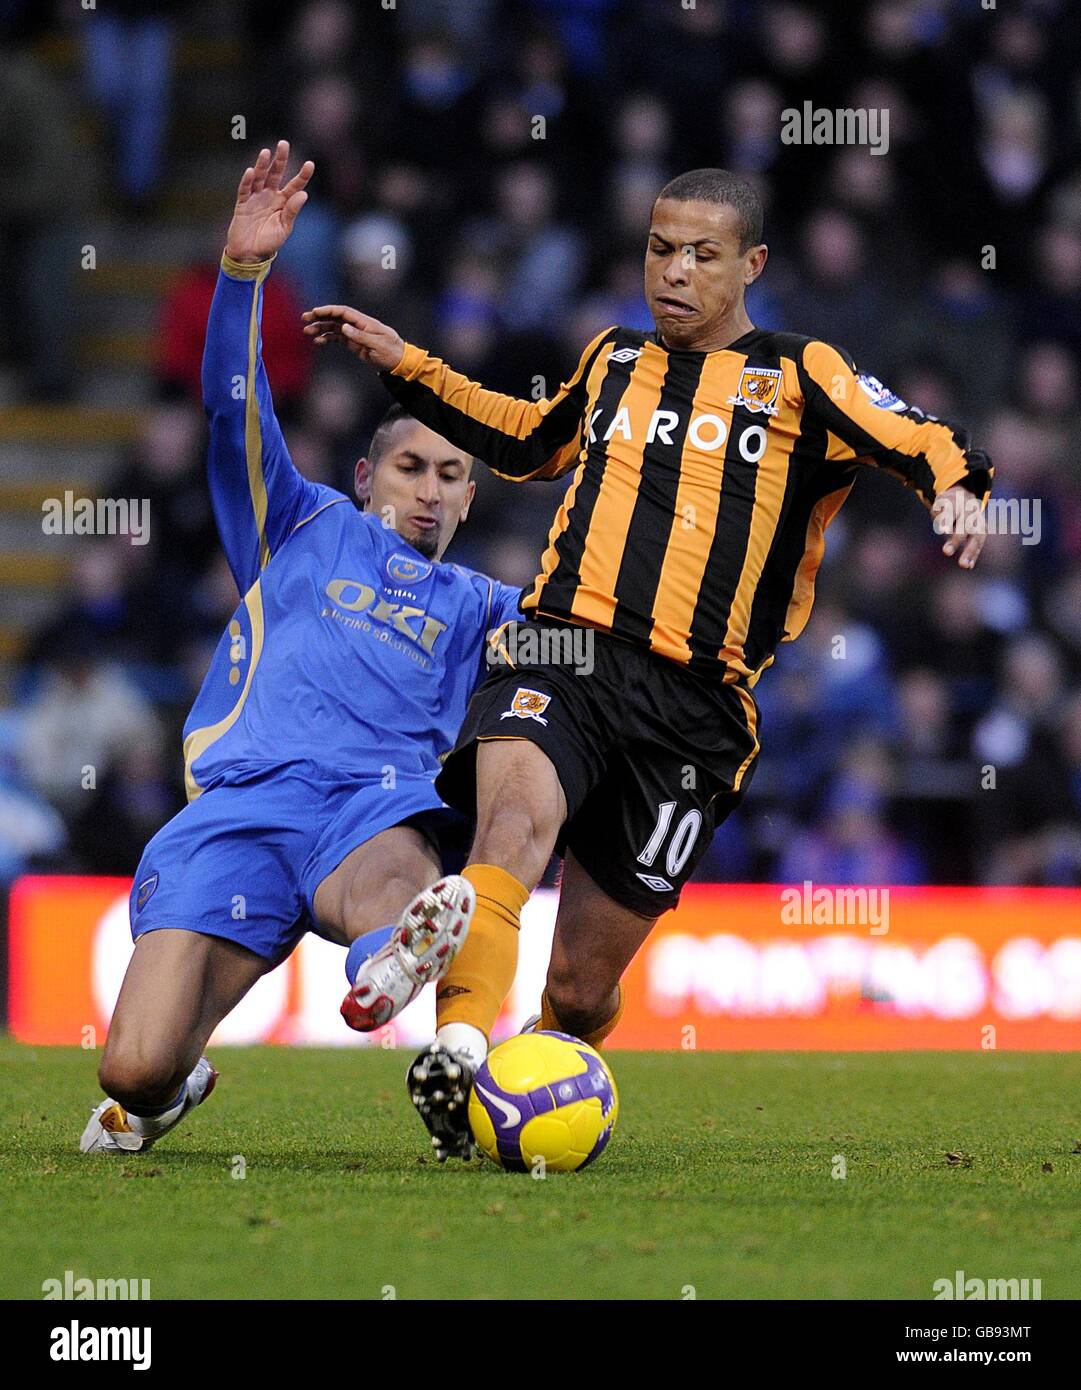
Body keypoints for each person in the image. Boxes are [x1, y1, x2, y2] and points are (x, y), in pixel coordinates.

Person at [305, 166, 994, 1160]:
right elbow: (526, 439)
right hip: (563, 643)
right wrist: (408, 364)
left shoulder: (802, 373)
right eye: (658, 248)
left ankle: (528, 1079)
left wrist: (958, 485)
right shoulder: (610, 358)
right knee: (512, 827)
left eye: (700, 254)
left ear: (751, 264)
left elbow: (915, 432)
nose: (672, 272)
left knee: (583, 992)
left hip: (697, 708)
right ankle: (457, 1045)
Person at [80, 142, 521, 1154]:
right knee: (132, 1070)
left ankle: (385, 969)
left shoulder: (486, 602)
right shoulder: (299, 522)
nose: (431, 489)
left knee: (395, 870)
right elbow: (235, 409)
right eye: (413, 466)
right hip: (240, 807)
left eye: (455, 475)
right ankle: (172, 1083)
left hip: (368, 806)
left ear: (470, 495)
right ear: (369, 474)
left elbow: (589, 626)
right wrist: (241, 275)